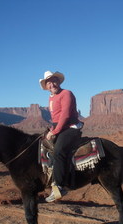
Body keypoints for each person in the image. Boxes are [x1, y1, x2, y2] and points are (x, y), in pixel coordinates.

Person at [39, 70, 83, 202]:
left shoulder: (66, 93)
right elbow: (55, 118)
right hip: (59, 127)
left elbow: (65, 115)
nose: (52, 84)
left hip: (71, 127)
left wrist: (55, 131)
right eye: (48, 82)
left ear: (58, 81)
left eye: (54, 81)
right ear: (46, 86)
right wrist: (51, 129)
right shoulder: (51, 97)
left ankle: (59, 187)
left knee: (58, 151)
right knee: (45, 146)